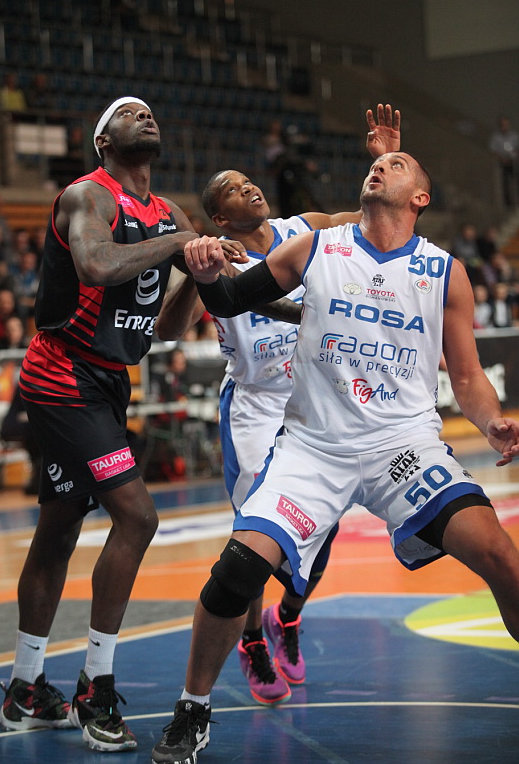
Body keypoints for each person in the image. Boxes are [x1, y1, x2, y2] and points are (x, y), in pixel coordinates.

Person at [151, 151, 519, 764]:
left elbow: (467, 375)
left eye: (396, 166)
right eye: (378, 164)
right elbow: (230, 300)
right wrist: (205, 271)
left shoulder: (444, 271)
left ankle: (287, 619)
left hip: (403, 444)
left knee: (499, 554)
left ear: (420, 197)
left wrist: (491, 422)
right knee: (236, 573)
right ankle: (193, 708)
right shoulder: (316, 245)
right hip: (313, 448)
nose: (380, 168)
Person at [155, 104, 401, 705]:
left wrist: (385, 161)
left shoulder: (302, 230)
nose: (250, 188)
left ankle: (286, 617)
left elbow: (371, 220)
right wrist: (194, 272)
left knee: (324, 528)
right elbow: (166, 330)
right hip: (258, 407)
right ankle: (250, 642)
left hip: (317, 399)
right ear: (220, 217)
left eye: (249, 181)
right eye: (233, 190)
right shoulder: (216, 259)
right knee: (258, 536)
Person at [0, 97, 202, 752]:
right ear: (103, 141)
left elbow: (171, 327)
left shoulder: (168, 212)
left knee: (60, 527)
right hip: (62, 373)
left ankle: (25, 688)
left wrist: (199, 278)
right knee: (137, 517)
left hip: (108, 381)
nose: (146, 115)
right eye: (129, 113)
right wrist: (182, 245)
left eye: (151, 111)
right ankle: (96, 685)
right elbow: (95, 265)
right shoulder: (88, 196)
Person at [489, 115, 519, 209]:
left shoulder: (514, 136)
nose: (505, 127)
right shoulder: (496, 137)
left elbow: (517, 147)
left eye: (506, 124)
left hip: (513, 162)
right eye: (503, 125)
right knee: (505, 183)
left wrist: (515, 156)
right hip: (502, 163)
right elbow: (493, 150)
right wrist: (502, 159)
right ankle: (508, 204)